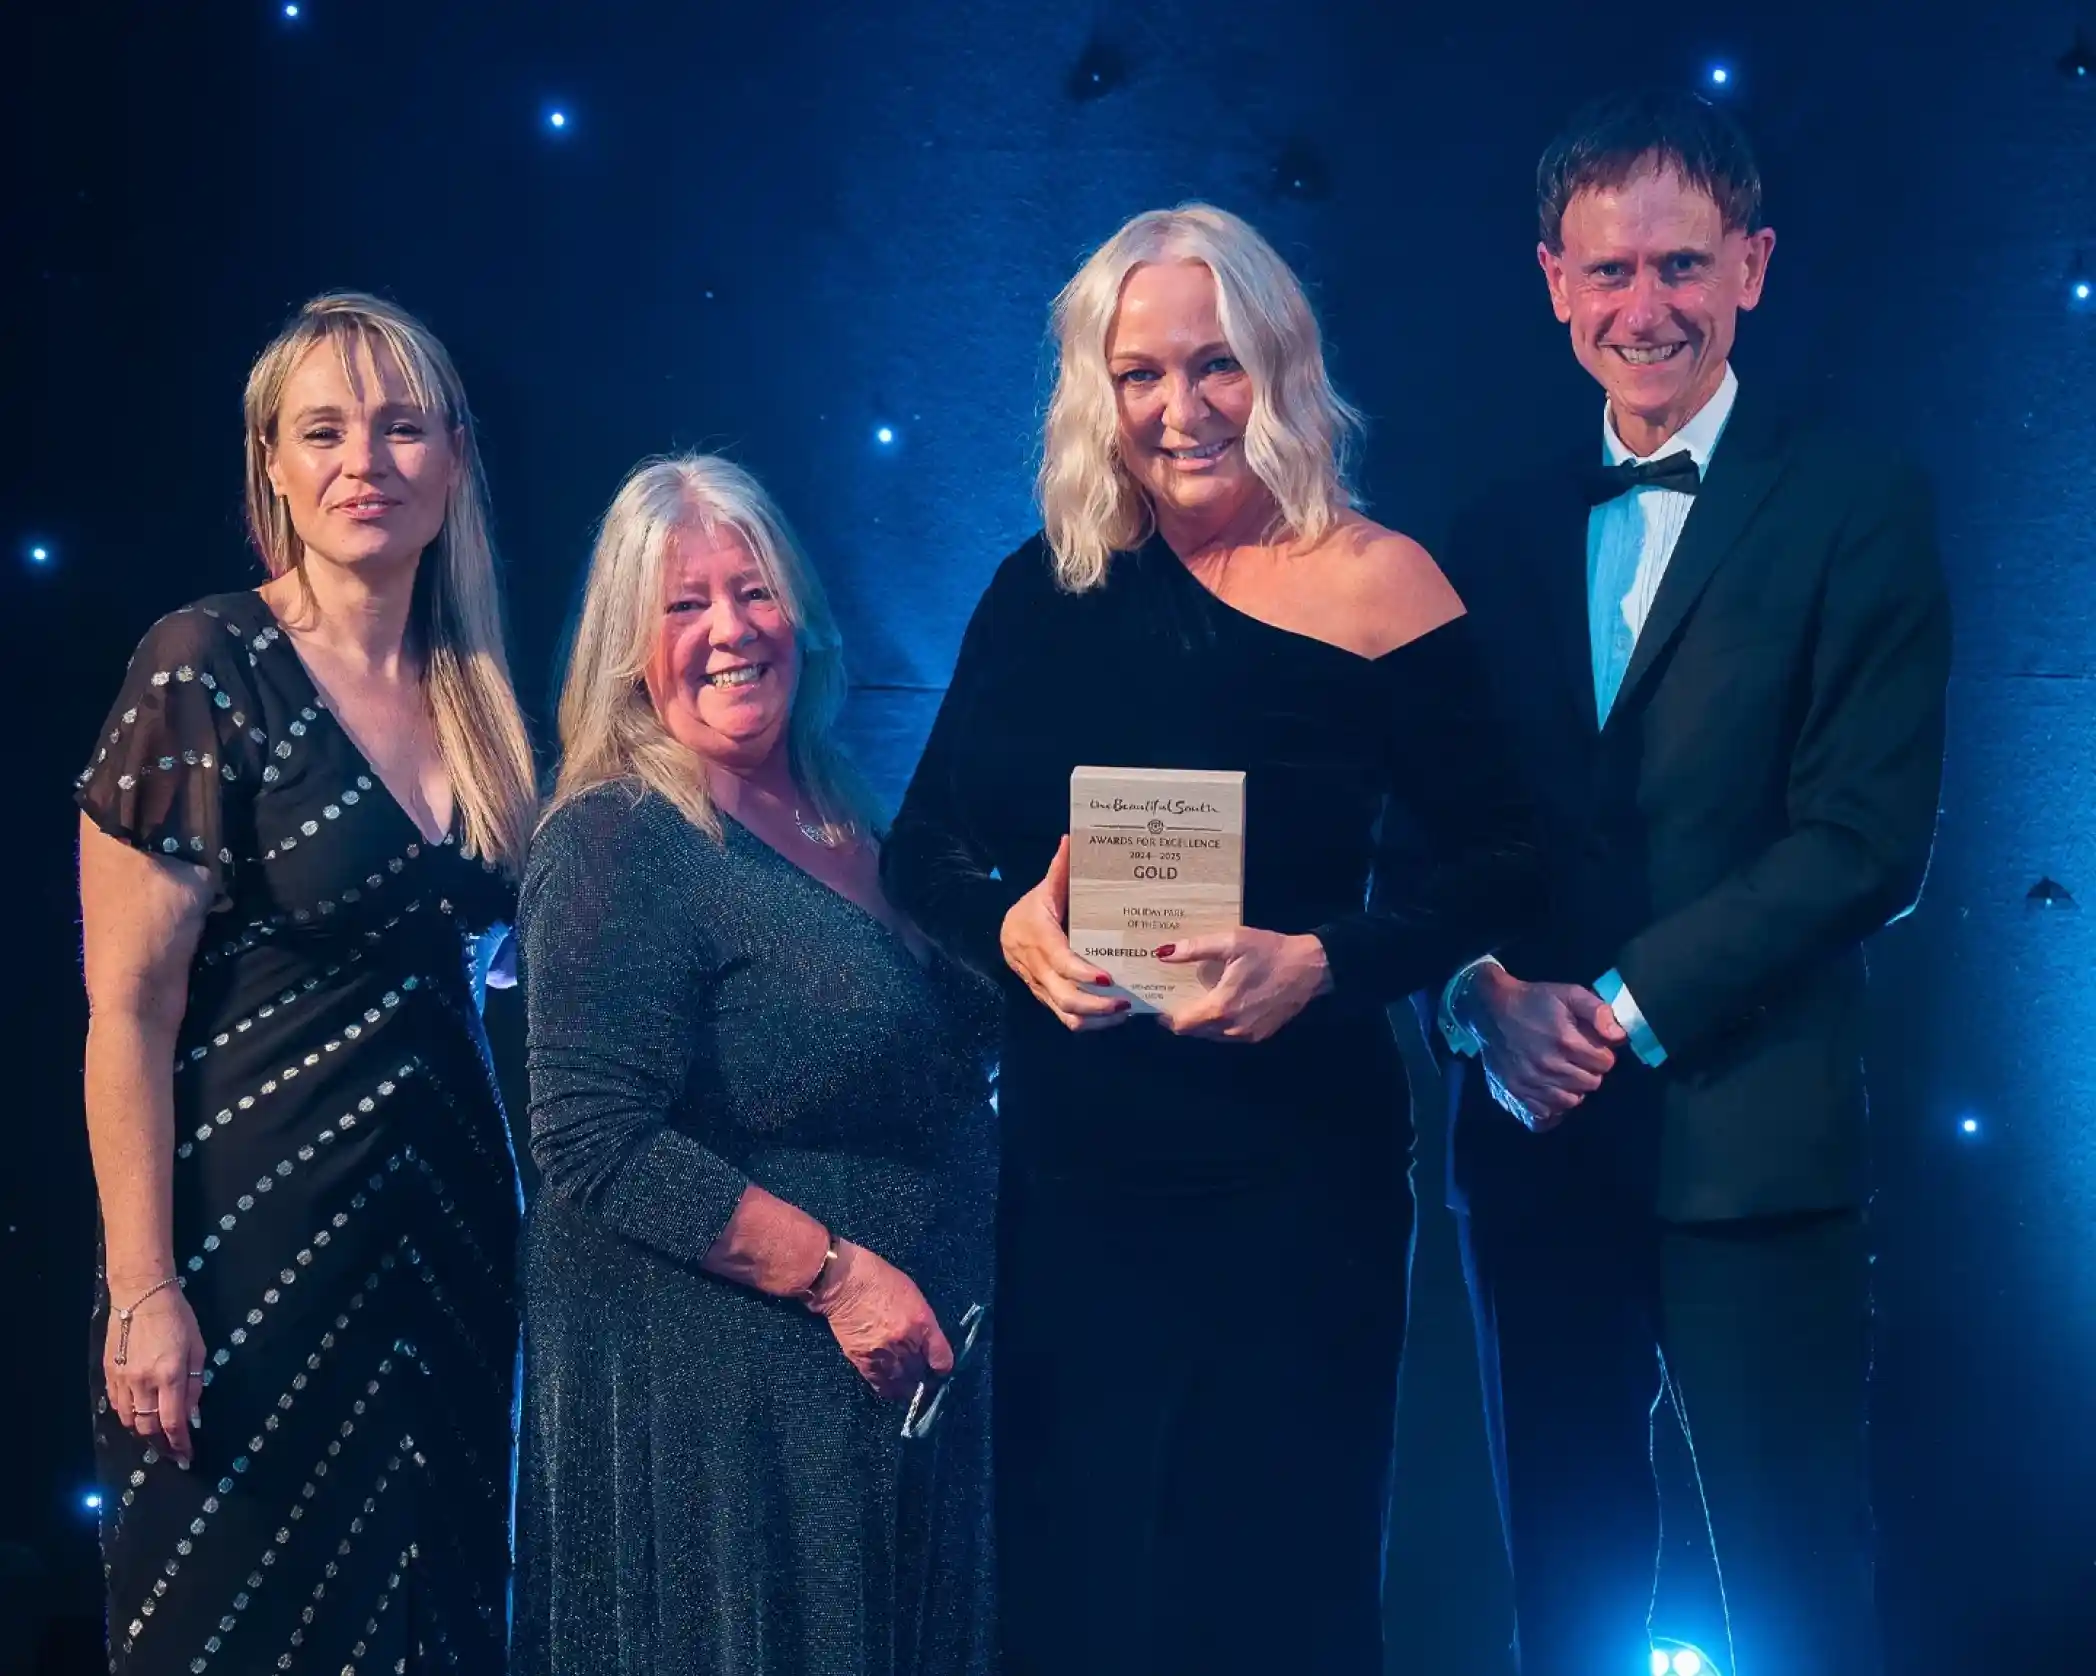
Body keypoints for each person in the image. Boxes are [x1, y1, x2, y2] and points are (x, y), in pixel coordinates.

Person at [880, 204, 1542, 1675]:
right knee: (1081, 1576)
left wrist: (1325, 964)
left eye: (1217, 366)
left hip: (1299, 1177)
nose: (1181, 410)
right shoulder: (1039, 590)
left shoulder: (1387, 582)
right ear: (1095, 394)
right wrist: (1014, 935)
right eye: (1140, 375)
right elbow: (922, 850)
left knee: (1281, 1579)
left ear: (1282, 367)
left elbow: (1507, 861)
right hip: (1079, 1178)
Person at [1427, 90, 1952, 1676]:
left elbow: (1867, 840)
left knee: (1798, 1592)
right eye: (1606, 272)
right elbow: (1434, 840)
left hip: (1753, 1146)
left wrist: (1617, 1006)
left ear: (1754, 269)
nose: (1642, 307)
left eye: (1680, 265)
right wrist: (1477, 1001)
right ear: (1552, 282)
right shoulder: (1492, 527)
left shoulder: (1856, 501)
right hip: (1536, 1149)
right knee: (1563, 1583)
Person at [75, 292, 539, 1674]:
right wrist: (144, 1289)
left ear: (453, 459)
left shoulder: (485, 696)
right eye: (324, 431)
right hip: (248, 1264)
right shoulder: (205, 665)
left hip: (448, 1253)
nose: (366, 463)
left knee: (433, 1625)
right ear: (270, 463)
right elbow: (126, 1013)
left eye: (402, 429)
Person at [512, 454, 998, 1676]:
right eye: (684, 605)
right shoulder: (619, 834)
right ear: (629, 645)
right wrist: (838, 1277)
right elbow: (589, 1137)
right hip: (729, 1425)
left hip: (886, 1407)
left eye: (753, 591)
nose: (729, 630)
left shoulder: (858, 814)